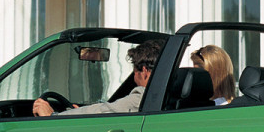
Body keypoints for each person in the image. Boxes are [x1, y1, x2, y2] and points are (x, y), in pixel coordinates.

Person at [32, 38, 165, 116]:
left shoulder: (142, 98)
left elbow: (105, 111)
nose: (135, 78)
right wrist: (79, 113)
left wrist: (53, 115)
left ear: (144, 71)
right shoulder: (167, 98)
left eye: (135, 71)